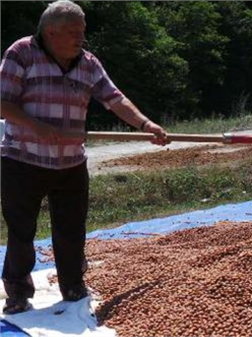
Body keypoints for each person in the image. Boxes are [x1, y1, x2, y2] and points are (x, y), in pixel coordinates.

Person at [0, 0, 170, 314]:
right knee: (21, 230)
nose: (80, 38)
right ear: (51, 32)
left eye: (82, 32)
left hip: (70, 164)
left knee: (71, 229)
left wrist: (146, 124)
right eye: (73, 32)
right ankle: (18, 293)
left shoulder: (88, 63)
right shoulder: (21, 53)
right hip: (22, 160)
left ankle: (73, 285)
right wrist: (36, 126)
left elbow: (115, 99)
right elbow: (2, 103)